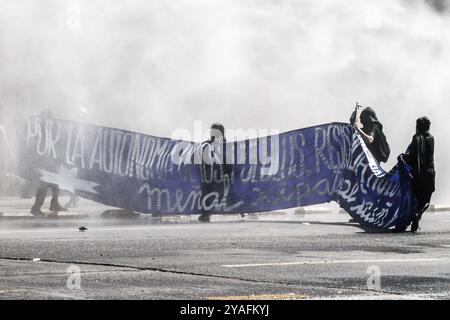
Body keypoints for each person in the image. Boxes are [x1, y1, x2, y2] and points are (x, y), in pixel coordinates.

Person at [401, 116, 435, 232]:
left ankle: (414, 217)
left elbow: (413, 157)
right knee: (426, 200)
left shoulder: (416, 138)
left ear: (418, 127)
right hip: (429, 173)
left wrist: (402, 157)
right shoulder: (431, 138)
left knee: (416, 198)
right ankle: (418, 215)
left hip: (418, 174)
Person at [30, 110, 67, 217]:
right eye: (48, 117)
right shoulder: (38, 129)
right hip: (42, 161)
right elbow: (35, 145)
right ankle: (36, 208)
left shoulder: (52, 128)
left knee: (56, 183)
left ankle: (54, 203)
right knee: (44, 184)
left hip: (51, 159)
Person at [198, 123, 231, 222]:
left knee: (207, 193)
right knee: (226, 192)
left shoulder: (207, 144)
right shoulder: (225, 145)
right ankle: (205, 214)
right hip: (216, 174)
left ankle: (205, 214)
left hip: (212, 174)